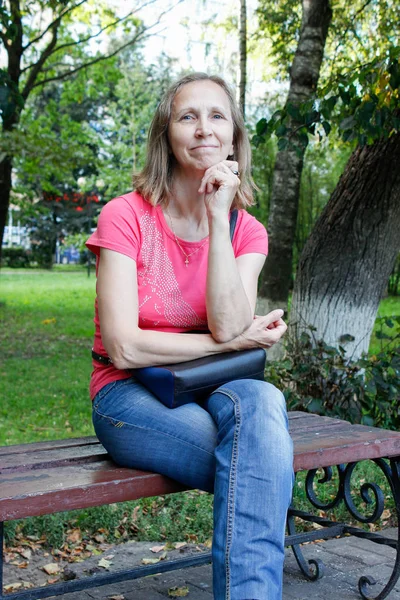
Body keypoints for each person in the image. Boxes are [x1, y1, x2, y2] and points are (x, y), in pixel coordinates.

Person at [86, 72, 294, 600]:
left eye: (217, 116)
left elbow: (227, 322)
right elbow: (125, 346)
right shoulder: (125, 216)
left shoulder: (246, 229)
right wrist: (235, 343)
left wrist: (217, 214)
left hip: (216, 383)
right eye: (188, 116)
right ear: (167, 134)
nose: (204, 129)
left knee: (263, 403)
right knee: (261, 466)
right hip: (127, 393)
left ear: (234, 138)